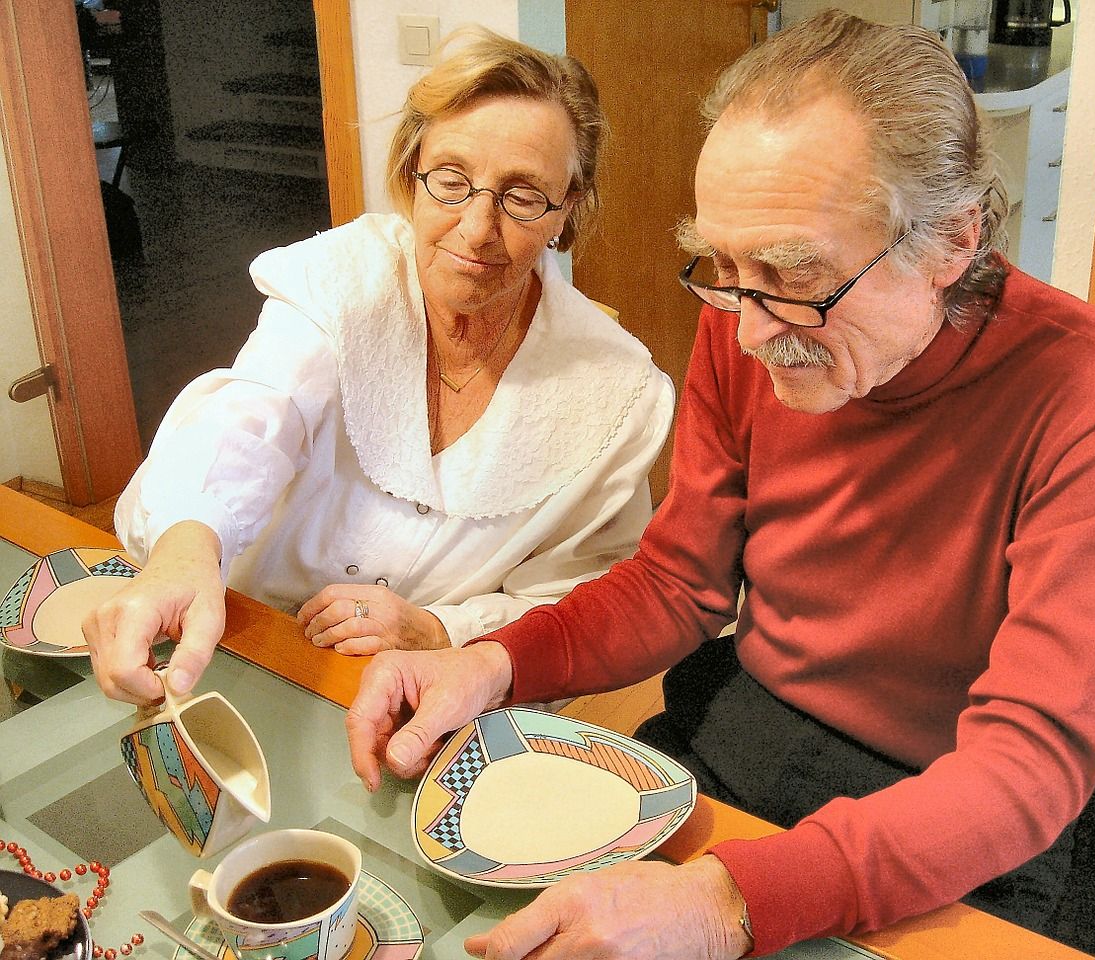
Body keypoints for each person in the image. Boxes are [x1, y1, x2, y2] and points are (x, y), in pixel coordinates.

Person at [346, 11, 1095, 960]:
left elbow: (1029, 763)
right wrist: (492, 663)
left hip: (952, 806)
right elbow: (677, 584)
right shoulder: (753, 316)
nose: (745, 332)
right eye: (725, 267)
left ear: (953, 238)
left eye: (794, 275)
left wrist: (725, 902)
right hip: (746, 725)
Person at [84, 28, 675, 705]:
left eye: (521, 197)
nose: (476, 229)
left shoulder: (619, 392)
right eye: (452, 181)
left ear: (566, 209)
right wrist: (186, 551)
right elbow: (251, 415)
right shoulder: (344, 277)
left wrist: (438, 629)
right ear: (411, 174)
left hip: (423, 696)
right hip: (236, 633)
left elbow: (585, 596)